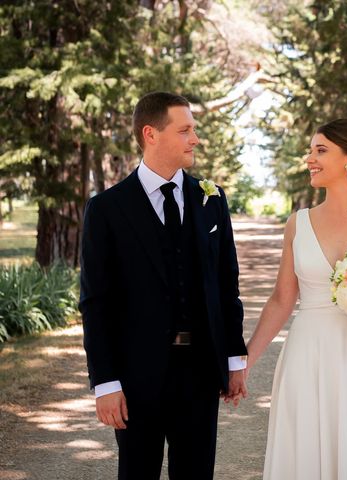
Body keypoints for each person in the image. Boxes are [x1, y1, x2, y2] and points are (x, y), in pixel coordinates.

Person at [79, 91, 248, 479]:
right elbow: (96, 302)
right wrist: (105, 382)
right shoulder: (106, 209)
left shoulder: (212, 199)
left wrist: (235, 360)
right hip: (137, 376)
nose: (195, 139)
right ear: (151, 134)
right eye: (185, 130)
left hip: (201, 373)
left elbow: (227, 284)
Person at [247, 118, 347, 479]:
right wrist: (245, 361)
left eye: (320, 150)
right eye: (310, 150)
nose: (309, 158)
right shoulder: (297, 223)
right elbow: (281, 299)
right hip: (308, 355)